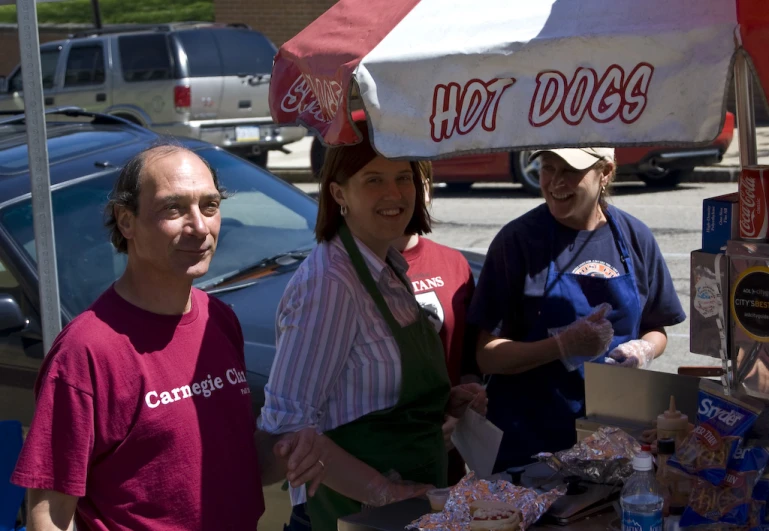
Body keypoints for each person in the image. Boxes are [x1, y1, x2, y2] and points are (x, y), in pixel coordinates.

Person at [11, 142, 324, 530]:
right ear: (126, 222)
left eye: (210, 206)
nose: (199, 227)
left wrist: (287, 450)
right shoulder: (85, 351)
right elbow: (50, 515)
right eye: (174, 209)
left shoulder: (218, 319)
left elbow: (235, 464)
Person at [259, 125, 486, 531]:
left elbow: (365, 390)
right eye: (374, 180)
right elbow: (289, 428)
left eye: (404, 177)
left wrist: (443, 401)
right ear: (338, 194)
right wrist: (382, 491)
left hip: (405, 506)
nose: (394, 194)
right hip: (351, 516)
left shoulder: (385, 266)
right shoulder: (330, 284)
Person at [468, 147, 686, 473]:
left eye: (570, 170)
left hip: (615, 438)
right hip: (530, 443)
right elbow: (487, 355)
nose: (556, 182)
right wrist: (561, 347)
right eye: (547, 168)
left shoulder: (634, 237)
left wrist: (645, 348)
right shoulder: (517, 241)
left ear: (606, 172)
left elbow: (656, 326)